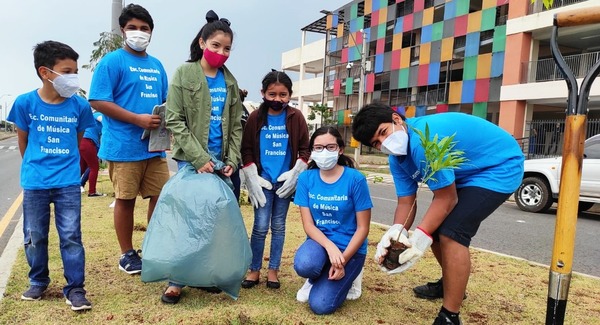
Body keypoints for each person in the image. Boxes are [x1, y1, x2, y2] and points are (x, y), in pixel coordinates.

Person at [351, 103, 524, 325]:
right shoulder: (397, 159)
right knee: (436, 232)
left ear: (396, 119)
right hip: (463, 174)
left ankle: (450, 316)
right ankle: (452, 284)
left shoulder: (425, 140)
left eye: (383, 133)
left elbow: (447, 198)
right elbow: (406, 202)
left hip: (497, 167)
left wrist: (418, 242)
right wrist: (395, 233)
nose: (384, 143)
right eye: (376, 143)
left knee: (452, 234)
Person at [7, 40, 95, 311]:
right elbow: (24, 141)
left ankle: (75, 288)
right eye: (67, 71)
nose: (73, 77)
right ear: (45, 72)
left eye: (75, 71)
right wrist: (36, 167)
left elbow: (79, 140)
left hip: (68, 181)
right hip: (35, 182)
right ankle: (38, 281)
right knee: (34, 235)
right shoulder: (25, 103)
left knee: (71, 235)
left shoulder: (80, 106)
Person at [162, 9, 243, 304]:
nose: (221, 53)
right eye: (216, 46)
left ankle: (207, 274)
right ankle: (177, 280)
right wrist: (198, 159)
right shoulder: (184, 74)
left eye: (227, 48)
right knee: (189, 220)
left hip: (223, 164)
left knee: (217, 221)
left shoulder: (230, 82)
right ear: (201, 43)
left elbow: (236, 126)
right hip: (192, 163)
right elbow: (174, 120)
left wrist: (231, 159)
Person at [89, 4, 170, 275]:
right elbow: (98, 100)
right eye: (133, 28)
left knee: (160, 196)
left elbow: (165, 102)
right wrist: (137, 119)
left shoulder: (157, 65)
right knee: (126, 200)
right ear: (123, 30)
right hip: (123, 146)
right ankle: (127, 254)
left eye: (144, 29)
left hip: (154, 147)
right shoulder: (112, 61)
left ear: (152, 33)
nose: (139, 33)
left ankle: (152, 247)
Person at [240, 70, 310, 290]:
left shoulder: (296, 117)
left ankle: (273, 270)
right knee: (260, 226)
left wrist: (295, 173)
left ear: (289, 95)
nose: (277, 99)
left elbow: (305, 150)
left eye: (283, 94)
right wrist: (252, 176)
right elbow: (247, 149)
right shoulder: (255, 117)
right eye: (272, 94)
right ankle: (254, 270)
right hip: (263, 182)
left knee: (278, 226)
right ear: (263, 93)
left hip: (284, 183)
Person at [293, 126, 372, 315]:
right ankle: (314, 278)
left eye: (330, 147)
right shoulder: (306, 178)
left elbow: (363, 228)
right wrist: (330, 247)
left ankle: (353, 276)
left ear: (340, 149)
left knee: (320, 305)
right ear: (312, 151)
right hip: (320, 243)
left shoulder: (355, 180)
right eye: (318, 148)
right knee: (304, 264)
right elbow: (308, 225)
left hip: (350, 249)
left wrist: (342, 261)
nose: (324, 152)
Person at [231, 88, 250, 203]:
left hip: (232, 150)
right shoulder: (245, 111)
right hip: (239, 152)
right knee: (235, 180)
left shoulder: (234, 111)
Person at [79, 110, 104, 197]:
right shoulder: (97, 114)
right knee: (94, 167)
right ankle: (92, 191)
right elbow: (102, 120)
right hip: (88, 141)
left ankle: (72, 187)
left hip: (83, 142)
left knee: (82, 167)